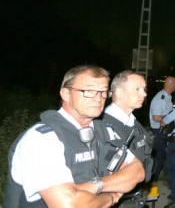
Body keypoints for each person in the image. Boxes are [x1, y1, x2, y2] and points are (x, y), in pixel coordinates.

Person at [4, 65, 145, 207]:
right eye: (89, 91)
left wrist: (96, 185)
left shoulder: (103, 130)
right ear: (65, 94)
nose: (98, 98)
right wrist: (111, 197)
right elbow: (69, 204)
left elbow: (137, 171)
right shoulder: (42, 139)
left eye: (102, 91)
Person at [101, 70, 155, 206]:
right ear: (118, 93)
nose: (144, 94)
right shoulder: (102, 127)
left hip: (136, 198)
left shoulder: (133, 122)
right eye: (137, 89)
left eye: (144, 89)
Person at [148, 76, 175, 182]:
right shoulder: (161, 99)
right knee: (159, 157)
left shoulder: (167, 97)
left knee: (165, 155)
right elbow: (156, 117)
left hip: (164, 132)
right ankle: (153, 180)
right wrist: (168, 121)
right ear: (171, 85)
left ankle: (164, 175)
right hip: (159, 133)